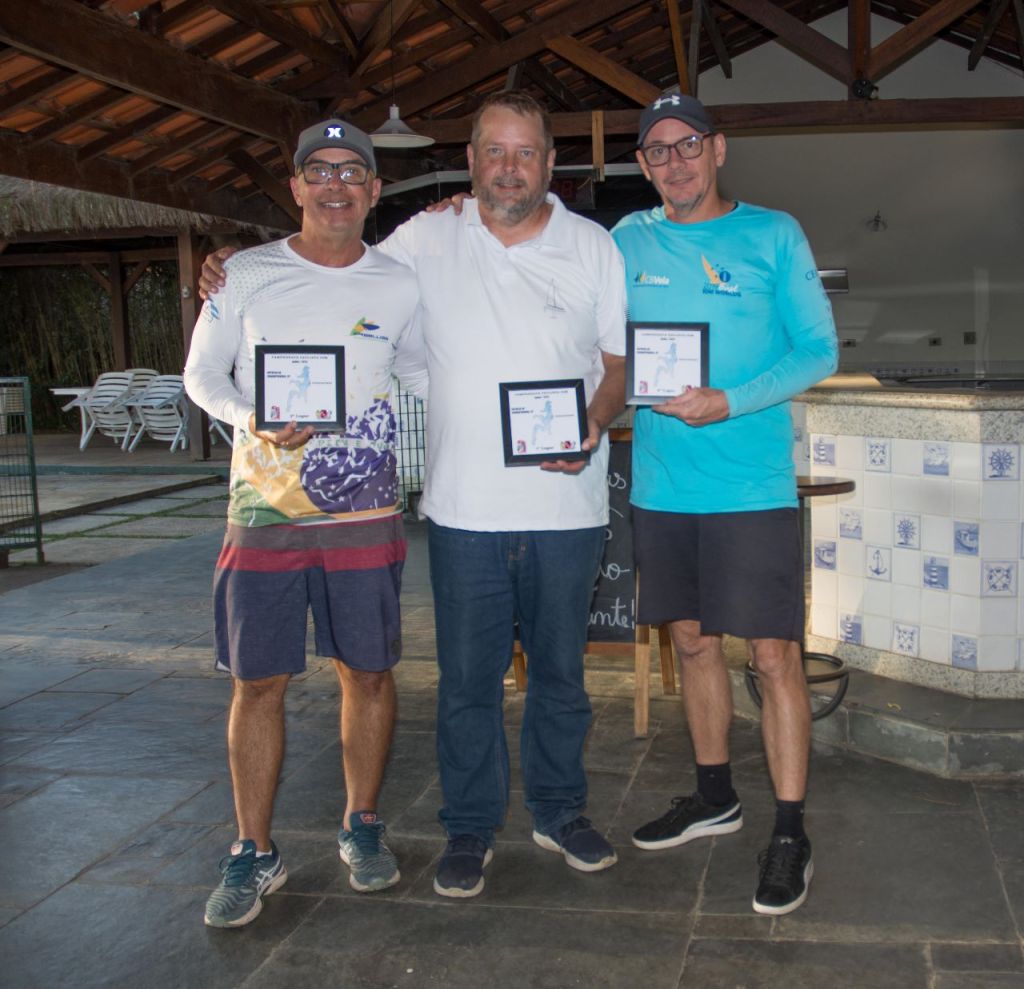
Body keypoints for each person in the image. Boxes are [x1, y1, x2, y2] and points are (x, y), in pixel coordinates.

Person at [200, 91, 628, 899]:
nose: (509, 167)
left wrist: (595, 423)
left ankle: (560, 810)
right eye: (494, 151)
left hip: (567, 509)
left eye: (525, 152)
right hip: (460, 508)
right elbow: (336, 254)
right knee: (465, 683)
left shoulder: (592, 245)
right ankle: (469, 826)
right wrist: (228, 265)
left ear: (549, 162)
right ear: (470, 162)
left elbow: (616, 364)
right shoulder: (427, 238)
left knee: (561, 676)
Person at [184, 118, 426, 927]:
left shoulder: (400, 282)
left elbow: (426, 371)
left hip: (366, 511)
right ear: (295, 186)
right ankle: (253, 849)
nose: (335, 185)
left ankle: (362, 822)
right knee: (258, 680)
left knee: (369, 671)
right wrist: (251, 417)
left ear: (375, 189)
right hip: (264, 512)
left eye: (352, 171)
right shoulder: (245, 274)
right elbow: (201, 375)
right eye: (318, 170)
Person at [612, 93, 838, 916]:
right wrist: (458, 211)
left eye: (688, 145)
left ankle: (790, 829)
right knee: (692, 641)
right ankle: (715, 797)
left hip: (751, 487)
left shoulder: (774, 234)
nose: (675, 162)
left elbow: (819, 349)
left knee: (773, 656)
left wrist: (731, 399)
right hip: (663, 486)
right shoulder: (625, 240)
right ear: (643, 165)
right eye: (658, 150)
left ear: (718, 149)